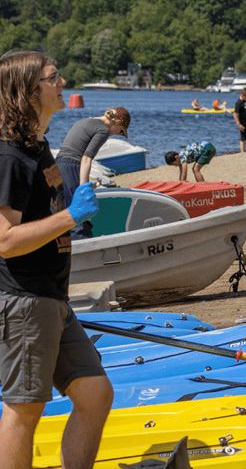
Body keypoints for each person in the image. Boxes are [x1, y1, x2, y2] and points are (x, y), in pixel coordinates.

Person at [0, 50, 113, 468]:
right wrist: (70, 215)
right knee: (24, 409)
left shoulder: (37, 146)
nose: (62, 82)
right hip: (24, 299)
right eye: (54, 77)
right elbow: (6, 241)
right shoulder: (10, 156)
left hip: (52, 298)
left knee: (95, 394)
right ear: (30, 91)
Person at [55, 106, 131, 239]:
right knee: (80, 211)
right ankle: (84, 246)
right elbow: (86, 159)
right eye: (121, 132)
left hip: (58, 164)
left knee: (63, 210)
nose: (117, 134)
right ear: (118, 122)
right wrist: (84, 190)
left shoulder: (85, 121)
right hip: (72, 164)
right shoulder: (103, 130)